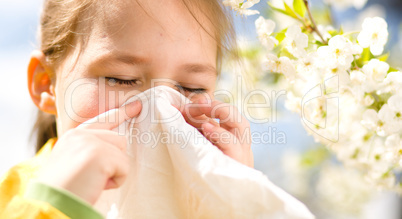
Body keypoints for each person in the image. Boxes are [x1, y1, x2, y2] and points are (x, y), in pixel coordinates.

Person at [0, 0, 254, 218]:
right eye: (121, 79)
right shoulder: (14, 201)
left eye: (192, 88)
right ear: (46, 84)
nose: (160, 108)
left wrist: (237, 202)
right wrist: (55, 204)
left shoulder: (205, 200)